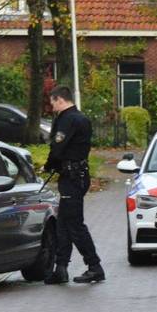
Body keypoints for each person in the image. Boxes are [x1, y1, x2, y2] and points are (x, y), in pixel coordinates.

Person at [44, 85, 105, 285]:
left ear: (60, 99)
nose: (51, 106)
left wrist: (48, 165)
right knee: (63, 224)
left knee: (74, 224)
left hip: (71, 178)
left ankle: (94, 266)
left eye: (52, 102)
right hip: (77, 175)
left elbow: (58, 148)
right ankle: (61, 268)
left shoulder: (68, 119)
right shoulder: (81, 118)